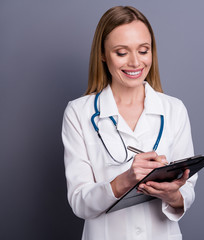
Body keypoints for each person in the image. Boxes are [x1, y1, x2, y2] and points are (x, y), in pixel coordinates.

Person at [61, 6, 197, 240]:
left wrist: (172, 194)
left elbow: (187, 191)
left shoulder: (174, 109)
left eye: (143, 50)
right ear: (103, 54)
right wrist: (126, 179)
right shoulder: (78, 113)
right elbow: (79, 203)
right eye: (122, 53)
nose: (135, 62)